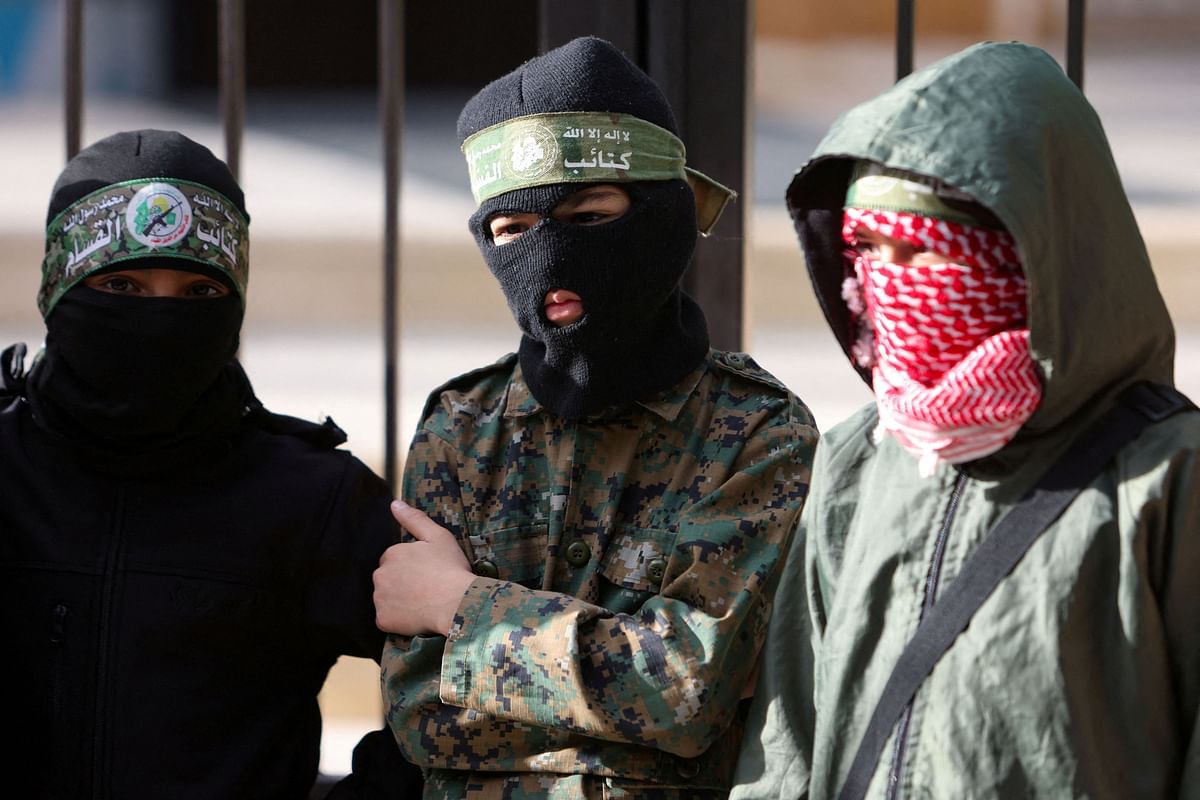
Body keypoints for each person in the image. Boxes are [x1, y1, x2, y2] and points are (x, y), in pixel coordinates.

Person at [730, 41, 1200, 799]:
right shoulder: (857, 459)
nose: (886, 282)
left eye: (917, 250)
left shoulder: (1166, 477)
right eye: (868, 249)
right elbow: (789, 744)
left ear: (1028, 255)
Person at [370, 36, 819, 799]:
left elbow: (685, 693)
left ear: (661, 215)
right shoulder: (460, 424)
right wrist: (628, 699)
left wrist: (459, 606)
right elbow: (419, 714)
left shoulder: (758, 434)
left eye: (587, 215)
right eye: (512, 232)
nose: (546, 258)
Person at [0, 129, 422, 798]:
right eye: (122, 284)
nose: (158, 318)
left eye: (197, 293)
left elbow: (466, 680)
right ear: (60, 285)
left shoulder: (309, 497)